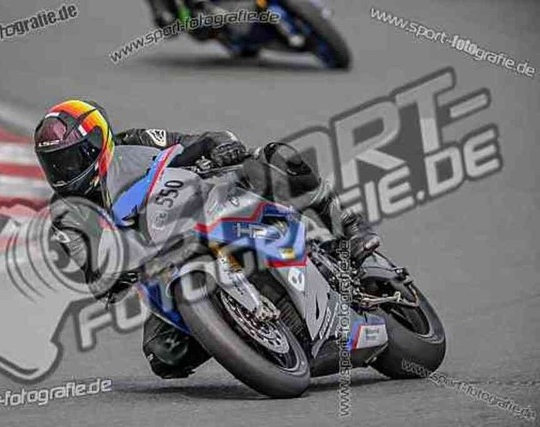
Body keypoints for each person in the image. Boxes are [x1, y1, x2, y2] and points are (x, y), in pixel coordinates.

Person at [34, 99, 379, 379]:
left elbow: (197, 141)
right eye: (54, 164)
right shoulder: (66, 213)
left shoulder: (134, 141)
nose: (63, 171)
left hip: (199, 208)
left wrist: (220, 147)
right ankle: (240, 335)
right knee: (164, 356)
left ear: (96, 144)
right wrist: (111, 277)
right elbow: (93, 271)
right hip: (159, 266)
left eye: (69, 159)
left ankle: (349, 227)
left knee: (275, 156)